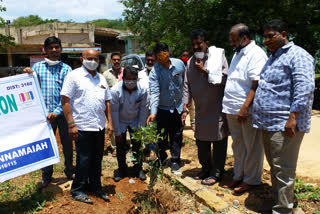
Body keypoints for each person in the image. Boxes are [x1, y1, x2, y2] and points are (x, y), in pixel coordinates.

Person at [252, 20, 314, 214]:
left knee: (284, 169)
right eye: (265, 37)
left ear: (284, 34)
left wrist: (293, 117)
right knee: (276, 167)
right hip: (268, 123)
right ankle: (282, 203)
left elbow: (304, 88)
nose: (267, 40)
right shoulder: (273, 58)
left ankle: (283, 210)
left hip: (284, 123)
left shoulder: (298, 55)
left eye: (271, 36)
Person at [61, 49, 113, 204]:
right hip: (82, 126)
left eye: (95, 58)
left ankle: (95, 187)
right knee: (83, 160)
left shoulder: (101, 78)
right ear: (82, 59)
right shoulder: (74, 76)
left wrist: (109, 122)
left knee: (97, 160)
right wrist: (71, 125)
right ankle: (77, 190)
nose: (93, 61)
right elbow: (65, 101)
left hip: (98, 126)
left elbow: (107, 102)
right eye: (89, 58)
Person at [23, 36, 74, 188]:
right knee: (46, 145)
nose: (54, 50)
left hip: (63, 114)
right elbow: (29, 88)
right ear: (44, 50)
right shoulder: (37, 68)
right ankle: (46, 176)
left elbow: (67, 94)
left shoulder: (67, 69)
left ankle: (70, 171)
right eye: (50, 47)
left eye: (56, 47)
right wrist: (25, 73)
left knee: (67, 144)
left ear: (61, 49)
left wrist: (57, 111)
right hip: (44, 116)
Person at [222, 24, 267, 193]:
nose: (232, 43)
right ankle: (238, 175)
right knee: (238, 145)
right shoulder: (237, 53)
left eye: (234, 40)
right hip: (232, 108)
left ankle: (251, 180)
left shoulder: (256, 54)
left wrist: (245, 107)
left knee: (252, 146)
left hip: (245, 110)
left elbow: (257, 84)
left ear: (245, 38)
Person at [182, 29, 229, 186]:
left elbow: (226, 80)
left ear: (206, 44)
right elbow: (186, 84)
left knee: (218, 142)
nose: (196, 47)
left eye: (199, 44)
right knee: (201, 142)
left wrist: (205, 71)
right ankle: (206, 168)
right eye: (193, 44)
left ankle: (217, 173)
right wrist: (185, 104)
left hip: (217, 109)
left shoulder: (217, 57)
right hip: (201, 110)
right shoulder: (189, 62)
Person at [147, 42, 185, 172]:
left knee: (177, 135)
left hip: (178, 107)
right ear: (156, 57)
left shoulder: (179, 64)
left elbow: (184, 84)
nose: (162, 57)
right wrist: (153, 112)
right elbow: (154, 93)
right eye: (159, 55)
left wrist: (185, 105)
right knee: (162, 136)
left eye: (164, 53)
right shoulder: (155, 72)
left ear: (168, 52)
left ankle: (175, 160)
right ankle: (162, 157)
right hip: (162, 109)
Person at [110, 66, 148, 182]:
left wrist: (141, 129)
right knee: (120, 145)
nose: (130, 81)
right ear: (123, 78)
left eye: (133, 79)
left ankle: (138, 168)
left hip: (135, 120)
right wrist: (117, 132)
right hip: (120, 120)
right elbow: (114, 112)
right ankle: (121, 169)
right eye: (128, 78)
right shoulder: (115, 91)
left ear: (137, 78)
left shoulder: (143, 90)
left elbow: (143, 110)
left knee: (137, 144)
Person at [103, 52, 124, 156]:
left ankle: (123, 144)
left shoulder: (125, 72)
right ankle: (115, 147)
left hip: (125, 104)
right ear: (111, 61)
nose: (116, 61)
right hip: (111, 104)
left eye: (118, 60)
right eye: (114, 60)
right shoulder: (106, 74)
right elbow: (103, 90)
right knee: (112, 124)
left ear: (121, 60)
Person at [179, 50, 196, 131]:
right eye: (183, 55)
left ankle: (193, 124)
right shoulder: (178, 66)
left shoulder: (191, 65)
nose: (185, 57)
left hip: (190, 90)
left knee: (192, 108)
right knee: (182, 108)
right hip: (181, 91)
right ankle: (181, 123)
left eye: (187, 55)